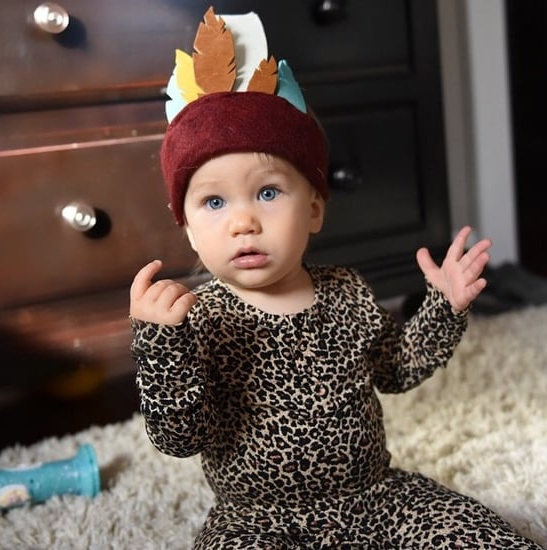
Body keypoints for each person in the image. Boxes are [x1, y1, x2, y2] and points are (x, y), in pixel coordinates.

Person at [130, 8, 541, 549]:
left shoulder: (346, 290)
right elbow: (180, 437)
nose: (243, 220)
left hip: (373, 496)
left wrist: (444, 307)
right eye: (213, 201)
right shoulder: (200, 318)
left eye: (269, 192)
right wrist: (159, 342)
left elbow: (394, 367)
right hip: (257, 519)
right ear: (187, 229)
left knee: (481, 534)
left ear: (316, 210)